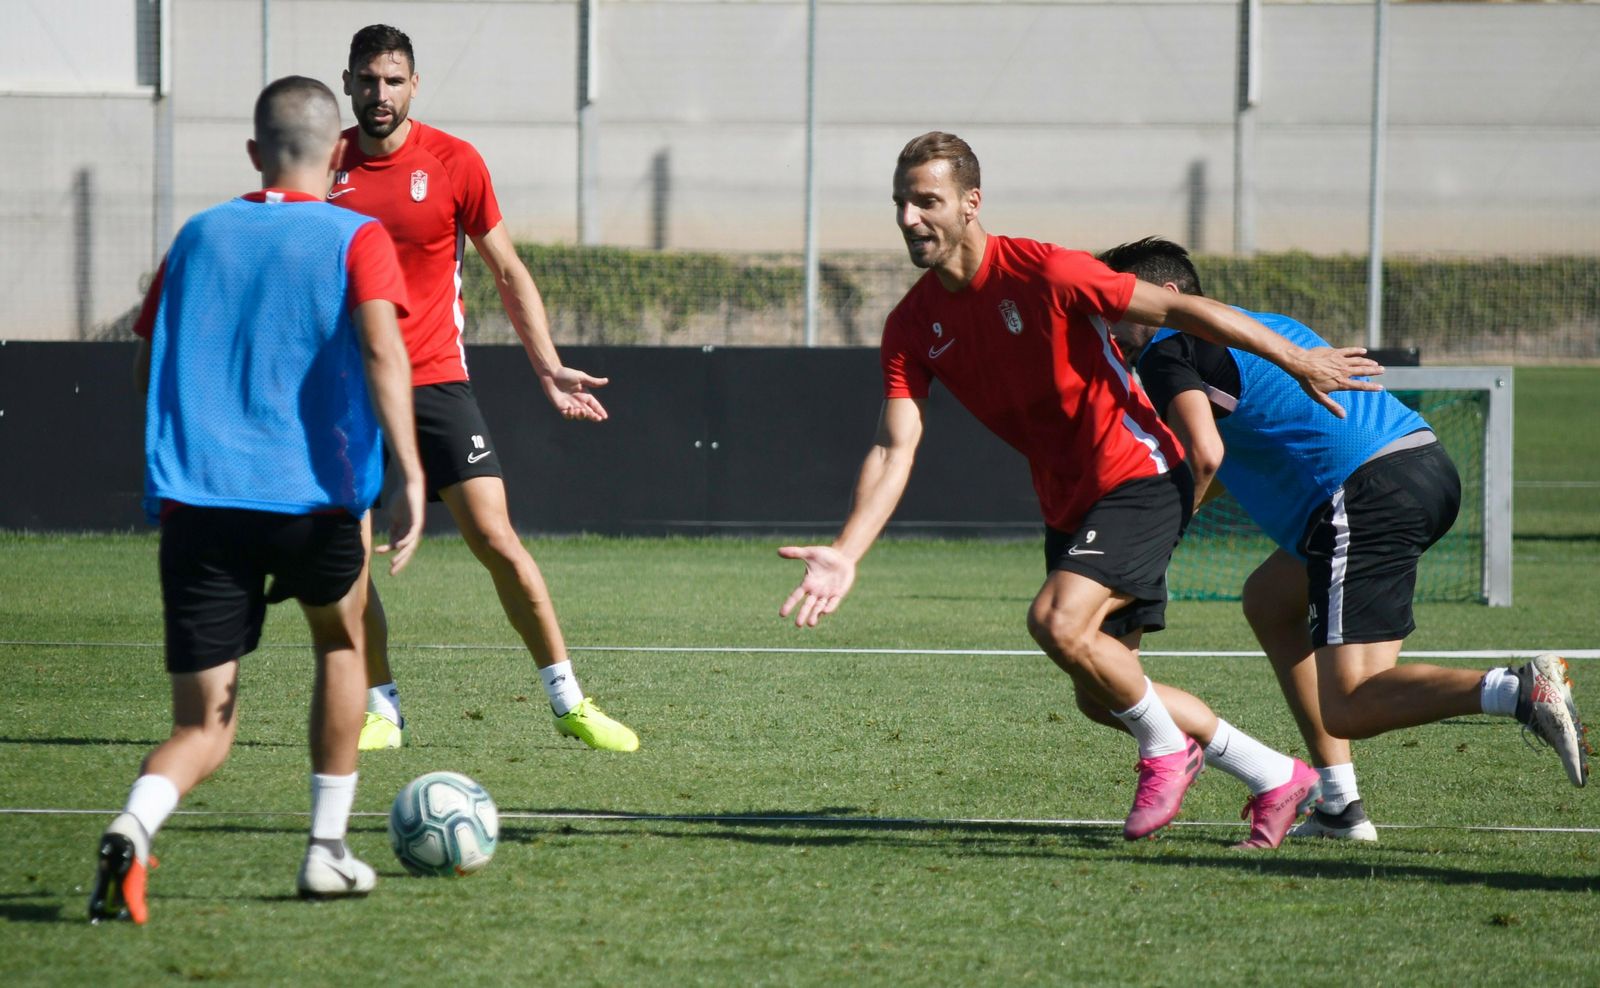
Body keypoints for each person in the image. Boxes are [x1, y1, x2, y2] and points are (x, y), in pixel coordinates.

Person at [778, 132, 1387, 848]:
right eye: (901, 204)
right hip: (1069, 502)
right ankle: (1276, 777)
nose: (910, 218)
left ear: (971, 203)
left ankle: (1167, 752)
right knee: (1103, 692)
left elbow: (1182, 309)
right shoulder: (912, 325)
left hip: (1140, 475)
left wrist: (1295, 358)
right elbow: (894, 444)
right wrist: (848, 552)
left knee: (1056, 622)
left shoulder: (1044, 270)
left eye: (927, 201)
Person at [1097, 236, 1589, 841]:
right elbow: (1236, 456)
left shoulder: (1169, 347)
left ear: (1166, 297)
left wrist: (1145, 543)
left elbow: (1202, 455)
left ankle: (1514, 690)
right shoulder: (1260, 326)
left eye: (1118, 302)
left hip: (1365, 490)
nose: (1109, 320)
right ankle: (1339, 806)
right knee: (1269, 600)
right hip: (1421, 465)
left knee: (1352, 702)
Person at [89, 76, 426, 924]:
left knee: (205, 728)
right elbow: (386, 356)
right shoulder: (357, 235)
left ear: (253, 153)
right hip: (313, 501)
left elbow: (143, 372)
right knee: (341, 646)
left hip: (200, 509)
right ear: (340, 150)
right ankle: (325, 851)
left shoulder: (196, 238)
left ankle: (135, 821)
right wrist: (411, 474)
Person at [330, 24, 636, 753]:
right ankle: (381, 708)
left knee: (497, 539)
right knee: (347, 556)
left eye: (394, 80)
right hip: (347, 390)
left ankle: (568, 700)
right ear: (348, 84)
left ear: (414, 85)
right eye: (368, 80)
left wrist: (548, 365)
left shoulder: (454, 162)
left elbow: (506, 270)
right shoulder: (325, 164)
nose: (381, 94)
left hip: (437, 381)